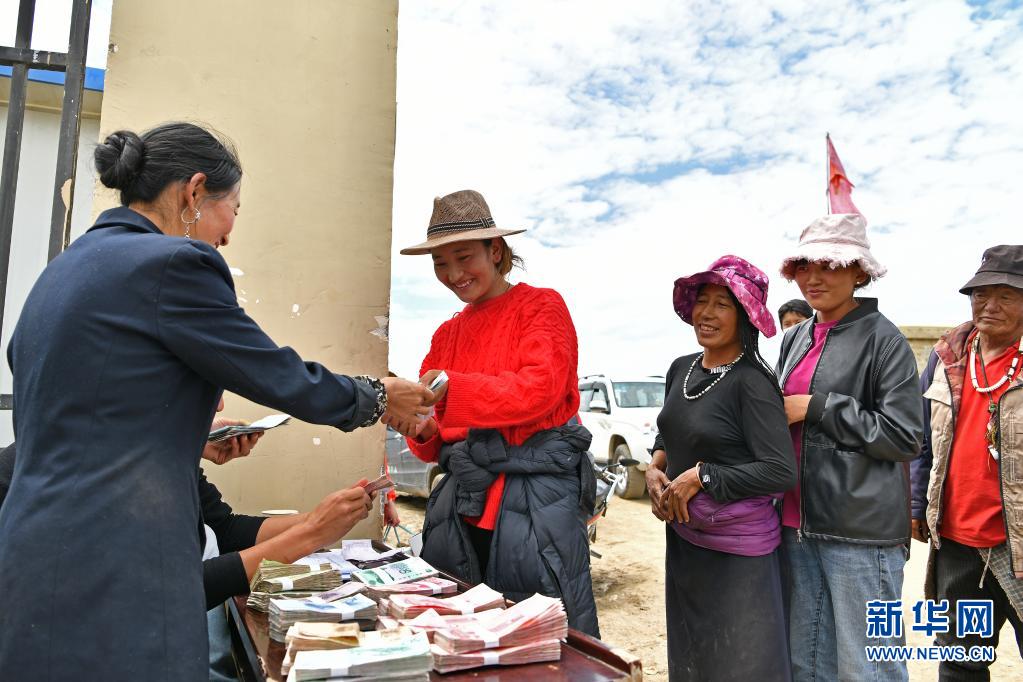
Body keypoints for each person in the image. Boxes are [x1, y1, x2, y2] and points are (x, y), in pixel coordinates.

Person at [0, 122, 432, 680]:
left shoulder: (60, 274)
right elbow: (275, 373)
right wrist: (377, 397)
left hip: (32, 562)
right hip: (119, 567)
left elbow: (83, 412)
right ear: (195, 191)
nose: (227, 237)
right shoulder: (172, 263)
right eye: (233, 210)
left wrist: (186, 437)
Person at [394, 189, 600, 637]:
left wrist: (449, 390)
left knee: (540, 634)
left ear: (496, 250)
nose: (453, 274)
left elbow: (539, 391)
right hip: (462, 505)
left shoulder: (541, 306)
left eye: (464, 257)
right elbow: (432, 438)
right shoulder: (447, 333)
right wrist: (419, 425)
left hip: (536, 498)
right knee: (462, 634)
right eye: (440, 263)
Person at [776, 213, 924, 682]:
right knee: (807, 663)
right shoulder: (794, 338)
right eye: (805, 266)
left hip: (860, 533)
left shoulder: (885, 339)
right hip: (796, 524)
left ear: (859, 271)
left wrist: (818, 407)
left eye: (830, 265)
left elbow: (904, 436)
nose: (813, 278)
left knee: (869, 667)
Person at [645, 255, 796, 681]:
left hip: (737, 555)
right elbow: (671, 430)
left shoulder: (753, 382)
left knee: (741, 666)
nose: (706, 313)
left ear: (745, 315)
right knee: (694, 657)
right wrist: (655, 467)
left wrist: (702, 475)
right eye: (702, 301)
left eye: (722, 304)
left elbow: (780, 470)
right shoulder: (681, 368)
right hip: (685, 540)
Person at [911, 245, 1023, 680]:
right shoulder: (947, 357)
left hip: (1017, 540)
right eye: (980, 294)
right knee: (960, 660)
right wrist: (917, 504)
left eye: (1006, 296)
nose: (989, 305)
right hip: (958, 541)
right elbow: (923, 439)